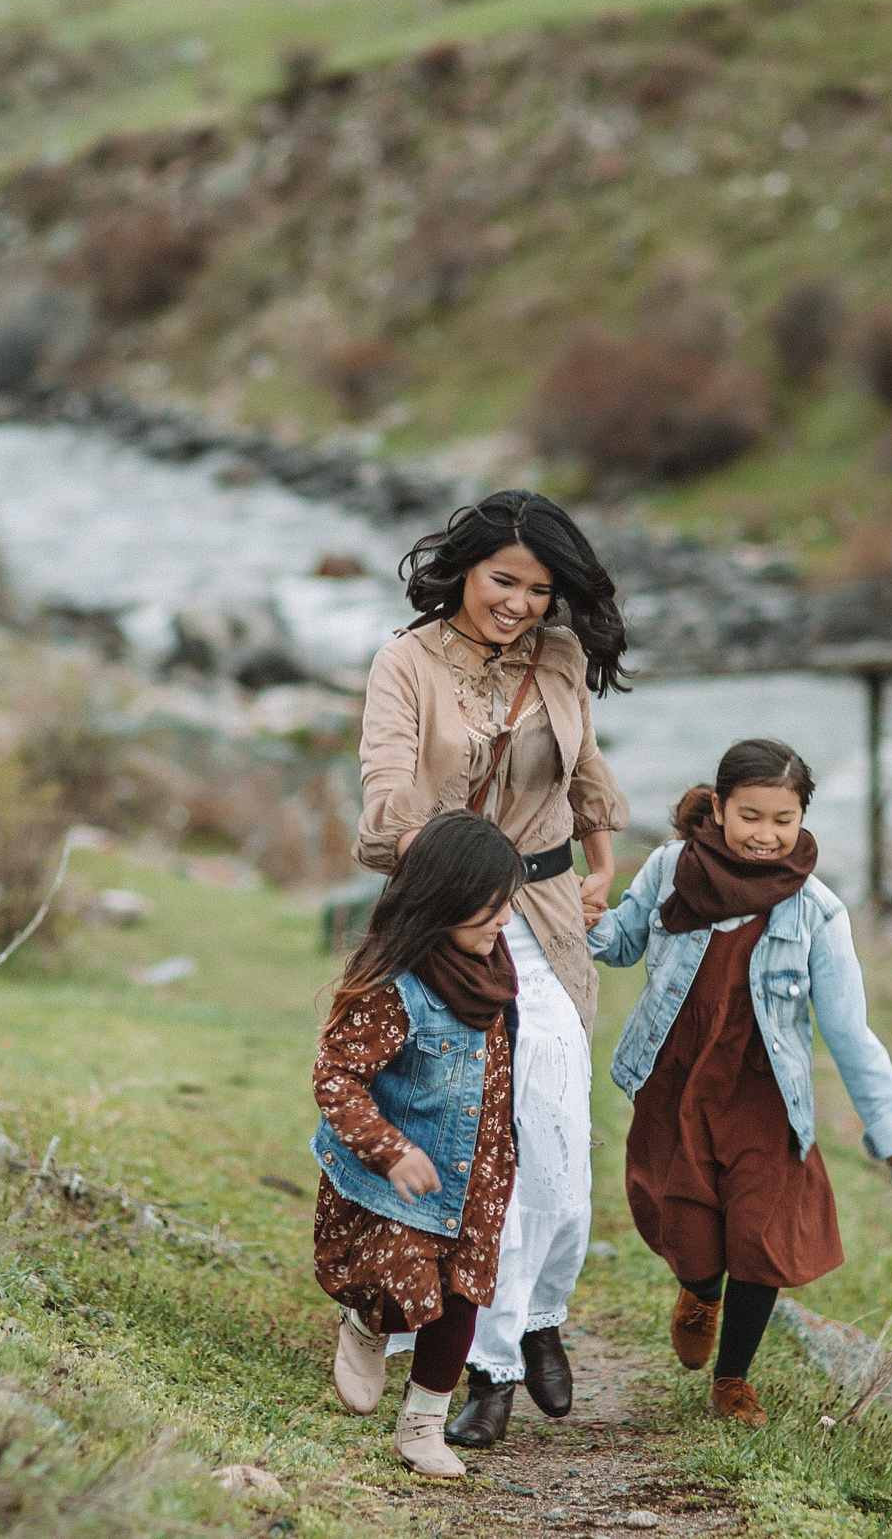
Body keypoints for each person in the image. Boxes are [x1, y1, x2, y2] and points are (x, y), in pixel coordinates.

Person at [353, 489, 630, 1448]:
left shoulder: (558, 656)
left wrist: (602, 865)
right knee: (465, 1133)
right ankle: (491, 1359)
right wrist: (439, 854)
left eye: (539, 590)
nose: (517, 603)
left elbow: (585, 768)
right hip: (447, 919)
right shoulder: (404, 662)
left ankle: (537, 1312)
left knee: (552, 1130)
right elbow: (385, 786)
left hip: (547, 917)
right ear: (464, 567)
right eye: (502, 580)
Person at [589, 738, 892, 1427]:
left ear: (803, 816)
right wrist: (574, 906)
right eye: (750, 816)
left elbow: (849, 1031)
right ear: (718, 808)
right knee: (685, 1223)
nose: (767, 835)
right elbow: (621, 943)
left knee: (762, 1233)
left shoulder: (817, 911)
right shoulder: (669, 867)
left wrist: (890, 1129)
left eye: (784, 818)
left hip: (764, 1094)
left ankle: (733, 1378)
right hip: (678, 1079)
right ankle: (697, 1291)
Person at [312, 811, 527, 1478]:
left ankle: (423, 1425)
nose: (504, 923)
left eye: (508, 905)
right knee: (405, 1287)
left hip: (480, 1174)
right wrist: (389, 1146)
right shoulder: (397, 989)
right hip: (405, 1172)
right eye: (490, 908)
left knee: (460, 1298)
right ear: (442, 900)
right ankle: (370, 1320)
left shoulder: (492, 972)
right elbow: (337, 1075)